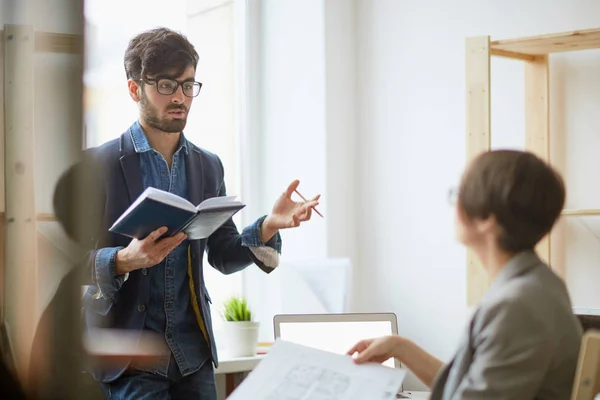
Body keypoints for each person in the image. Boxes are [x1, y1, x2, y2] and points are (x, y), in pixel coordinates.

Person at [74, 27, 320, 399]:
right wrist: (124, 260)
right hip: (131, 361)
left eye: (188, 85)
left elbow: (222, 255)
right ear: (134, 89)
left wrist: (269, 225)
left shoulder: (208, 166)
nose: (181, 98)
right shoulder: (98, 165)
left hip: (194, 358)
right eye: (167, 85)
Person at [348, 150, 583, 399]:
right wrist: (399, 346)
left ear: (487, 221)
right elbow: (471, 388)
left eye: (460, 193)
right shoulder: (538, 284)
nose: (455, 204)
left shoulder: (516, 307)